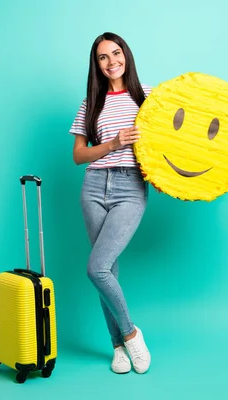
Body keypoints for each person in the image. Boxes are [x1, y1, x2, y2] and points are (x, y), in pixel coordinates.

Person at [68, 32, 152, 374]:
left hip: (131, 187)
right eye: (103, 57)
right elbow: (78, 155)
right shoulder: (91, 102)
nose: (111, 61)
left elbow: (171, 142)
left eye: (116, 53)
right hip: (93, 186)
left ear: (126, 56)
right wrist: (114, 142)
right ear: (96, 64)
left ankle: (131, 334)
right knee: (108, 270)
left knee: (97, 268)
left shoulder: (147, 96)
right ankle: (118, 346)